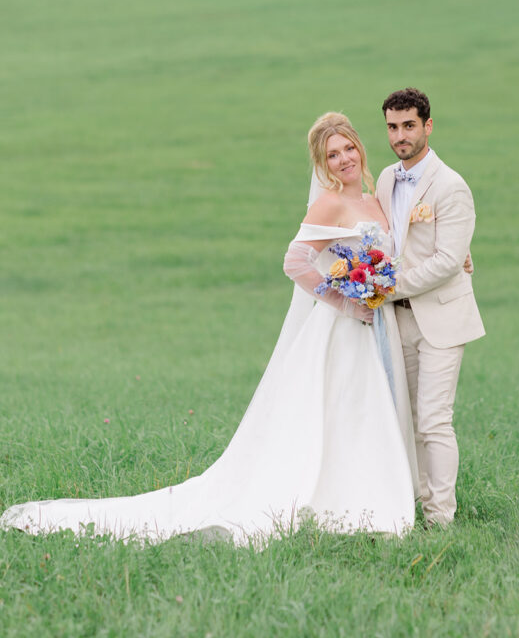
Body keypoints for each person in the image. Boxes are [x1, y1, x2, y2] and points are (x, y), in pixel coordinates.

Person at [0, 113, 418, 545]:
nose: (344, 158)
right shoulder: (329, 204)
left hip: (377, 325)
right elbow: (295, 262)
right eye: (333, 154)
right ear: (322, 164)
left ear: (360, 148)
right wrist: (345, 301)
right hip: (342, 329)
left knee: (366, 410)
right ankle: (345, 498)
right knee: (341, 409)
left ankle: (374, 485)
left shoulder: (374, 200)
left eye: (349, 148)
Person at [376, 88, 485, 527]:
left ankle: (441, 518)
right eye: (392, 127)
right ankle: (416, 505)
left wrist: (389, 286)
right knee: (409, 417)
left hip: (440, 317)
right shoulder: (385, 179)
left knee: (435, 420)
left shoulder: (451, 185)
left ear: (427, 126)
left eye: (408, 126)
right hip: (397, 320)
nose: (400, 135)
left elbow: (445, 262)